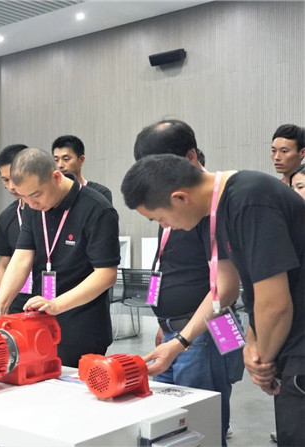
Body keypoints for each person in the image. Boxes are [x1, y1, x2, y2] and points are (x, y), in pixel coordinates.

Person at [121, 154, 305, 447]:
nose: (166, 226)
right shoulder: (221, 211)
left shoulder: (249, 199)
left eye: (160, 219)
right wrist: (252, 342)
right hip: (284, 344)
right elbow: (249, 290)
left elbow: (275, 303)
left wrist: (262, 360)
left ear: (179, 197)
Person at [133, 119, 243, 446]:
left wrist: (182, 336)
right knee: (173, 422)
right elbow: (170, 264)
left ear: (190, 158)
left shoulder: (212, 206)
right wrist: (164, 322)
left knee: (201, 421)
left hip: (203, 331)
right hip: (176, 330)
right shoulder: (171, 198)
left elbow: (225, 288)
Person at [0, 148, 119, 367]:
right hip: (41, 324)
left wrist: (56, 305)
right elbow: (22, 256)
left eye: (36, 195)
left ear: (56, 177)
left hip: (81, 328)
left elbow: (106, 274)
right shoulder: (33, 208)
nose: (31, 204)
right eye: (23, 197)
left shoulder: (97, 209)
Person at [0, 144, 33, 314]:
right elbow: (3, 264)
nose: (10, 186)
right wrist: (3, 304)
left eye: (14, 178)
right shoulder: (6, 217)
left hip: (51, 299)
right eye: (5, 180)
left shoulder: (49, 210)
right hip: (18, 304)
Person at [51, 134, 112, 203]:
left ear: (81, 160)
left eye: (66, 159)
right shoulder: (50, 196)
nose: (60, 165)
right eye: (56, 160)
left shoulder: (100, 193)